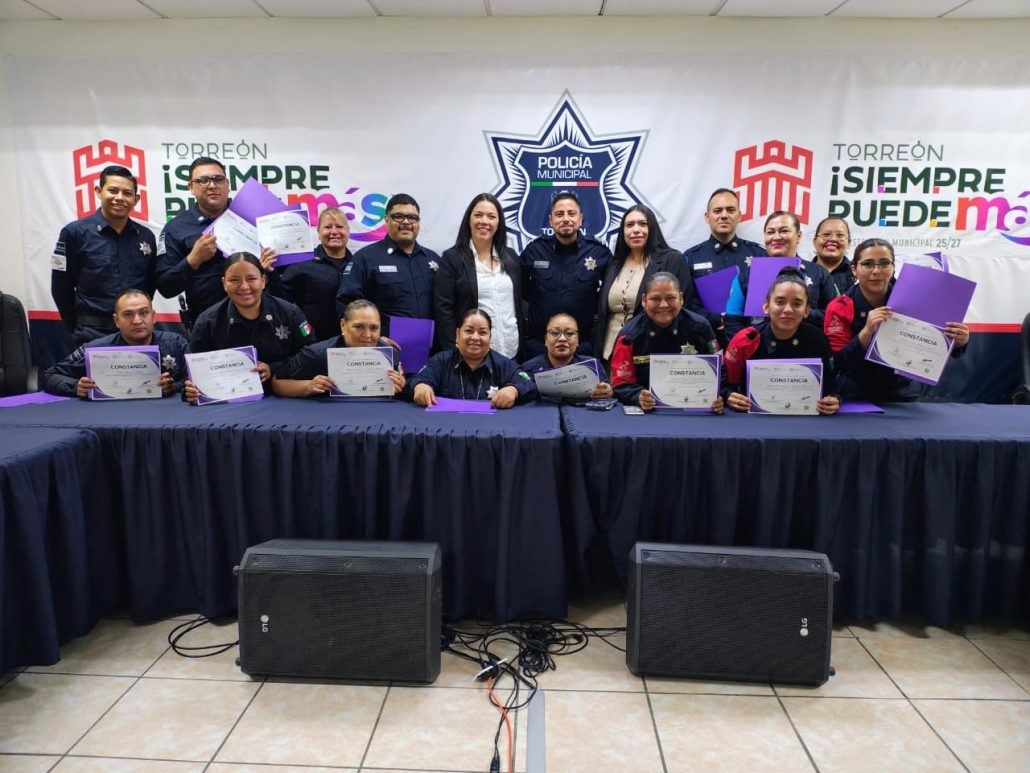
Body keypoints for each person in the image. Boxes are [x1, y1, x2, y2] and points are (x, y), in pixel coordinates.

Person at [824, 238, 970, 402]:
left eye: (884, 263)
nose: (876, 271)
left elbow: (933, 346)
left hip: (903, 391)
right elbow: (840, 363)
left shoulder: (914, 298)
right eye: (868, 264)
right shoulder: (840, 306)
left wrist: (957, 342)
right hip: (855, 392)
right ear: (854, 269)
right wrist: (867, 332)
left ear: (893, 268)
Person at [156, 157, 278, 330]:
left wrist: (265, 268)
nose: (212, 185)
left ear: (227, 184)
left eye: (218, 179)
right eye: (203, 180)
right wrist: (193, 260)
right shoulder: (175, 229)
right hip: (208, 326)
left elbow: (284, 275)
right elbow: (166, 288)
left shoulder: (254, 218)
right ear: (191, 187)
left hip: (261, 320)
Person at [51, 165, 158, 345]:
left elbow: (149, 285)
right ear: (99, 192)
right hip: (92, 333)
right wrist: (77, 326)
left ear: (136, 199)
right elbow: (61, 288)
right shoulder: (74, 233)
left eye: (127, 193)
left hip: (136, 333)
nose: (120, 198)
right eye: (113, 191)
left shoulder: (145, 237)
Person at [185, 252, 313, 400]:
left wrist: (273, 368)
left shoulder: (289, 313)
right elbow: (196, 370)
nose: (244, 287)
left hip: (285, 395)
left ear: (263, 281)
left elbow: (308, 355)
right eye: (234, 280)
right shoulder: (207, 322)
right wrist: (192, 390)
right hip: (231, 401)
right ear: (224, 283)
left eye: (251, 279)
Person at [723, 269, 840, 415]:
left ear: (806, 310)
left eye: (797, 303)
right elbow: (725, 385)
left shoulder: (818, 340)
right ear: (766, 306)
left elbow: (831, 387)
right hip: (755, 419)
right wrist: (728, 396)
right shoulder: (745, 340)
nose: (788, 309)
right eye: (780, 302)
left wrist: (833, 399)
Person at [610, 272, 723, 413]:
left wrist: (722, 395)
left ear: (681, 298)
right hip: (650, 412)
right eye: (655, 299)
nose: (663, 305)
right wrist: (638, 396)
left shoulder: (701, 327)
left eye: (671, 298)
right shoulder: (628, 336)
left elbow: (720, 369)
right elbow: (621, 382)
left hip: (695, 409)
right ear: (644, 300)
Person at [42, 289, 187, 398]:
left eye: (144, 313)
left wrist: (173, 387)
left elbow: (193, 379)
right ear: (116, 320)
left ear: (153, 316)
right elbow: (50, 376)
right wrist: (75, 387)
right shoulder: (96, 350)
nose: (137, 320)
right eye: (128, 314)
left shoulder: (175, 343)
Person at [595, 205, 694, 361]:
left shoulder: (673, 260)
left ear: (652, 228)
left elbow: (683, 307)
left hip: (653, 352)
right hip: (610, 353)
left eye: (642, 224)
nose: (636, 230)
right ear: (622, 232)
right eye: (629, 225)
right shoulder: (613, 264)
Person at [520, 193, 612, 358]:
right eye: (559, 214)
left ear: (580, 219)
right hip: (539, 347)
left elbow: (608, 293)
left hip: (583, 347)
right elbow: (522, 290)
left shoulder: (599, 252)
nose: (566, 219)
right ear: (551, 220)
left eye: (571, 213)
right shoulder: (534, 251)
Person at [336, 193, 439, 336]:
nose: (406, 222)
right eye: (398, 216)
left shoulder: (433, 260)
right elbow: (347, 304)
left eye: (412, 218)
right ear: (386, 220)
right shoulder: (366, 258)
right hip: (382, 346)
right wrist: (374, 338)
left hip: (431, 346)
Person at [434, 193, 523, 358]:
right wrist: (453, 353)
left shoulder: (511, 257)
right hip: (471, 355)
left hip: (512, 351)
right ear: (469, 220)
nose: (484, 221)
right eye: (478, 215)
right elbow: (444, 311)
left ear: (499, 223)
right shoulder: (452, 258)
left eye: (491, 216)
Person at [723, 211, 835, 340]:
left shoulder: (818, 273)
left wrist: (801, 310)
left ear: (798, 236)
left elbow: (833, 319)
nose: (776, 237)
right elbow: (732, 320)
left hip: (807, 347)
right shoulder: (747, 274)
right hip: (758, 348)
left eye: (784, 231)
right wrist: (748, 345)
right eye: (770, 232)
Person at [405, 308, 537, 409]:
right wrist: (419, 386)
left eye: (482, 332)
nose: (475, 337)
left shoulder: (503, 364)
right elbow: (415, 380)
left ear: (490, 337)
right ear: (458, 334)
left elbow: (529, 384)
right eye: (469, 331)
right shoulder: (441, 361)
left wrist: (514, 390)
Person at [271, 300, 404, 398]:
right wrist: (308, 386)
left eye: (374, 328)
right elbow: (277, 383)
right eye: (359, 327)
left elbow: (404, 384)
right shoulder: (317, 354)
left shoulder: (391, 355)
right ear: (343, 325)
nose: (367, 335)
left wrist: (401, 384)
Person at [683, 188, 766, 340]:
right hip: (707, 337)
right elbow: (685, 302)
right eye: (717, 211)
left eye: (730, 210)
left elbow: (767, 297)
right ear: (707, 217)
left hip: (751, 338)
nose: (724, 215)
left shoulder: (759, 254)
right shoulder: (692, 257)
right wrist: (714, 318)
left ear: (739, 216)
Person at [280, 207, 353, 341]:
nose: (334, 231)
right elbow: (282, 300)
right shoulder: (302, 263)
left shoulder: (359, 263)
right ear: (318, 233)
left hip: (351, 343)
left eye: (339, 226)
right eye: (327, 227)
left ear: (348, 232)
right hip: (312, 343)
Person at [521, 313, 613, 400]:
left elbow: (606, 392)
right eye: (555, 333)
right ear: (545, 340)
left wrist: (606, 392)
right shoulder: (528, 369)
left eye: (569, 333)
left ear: (577, 340)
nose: (562, 339)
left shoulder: (592, 367)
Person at [812, 217, 855, 296]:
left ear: (848, 243)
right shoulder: (803, 272)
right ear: (814, 241)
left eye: (840, 235)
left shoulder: (856, 274)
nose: (833, 239)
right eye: (826, 234)